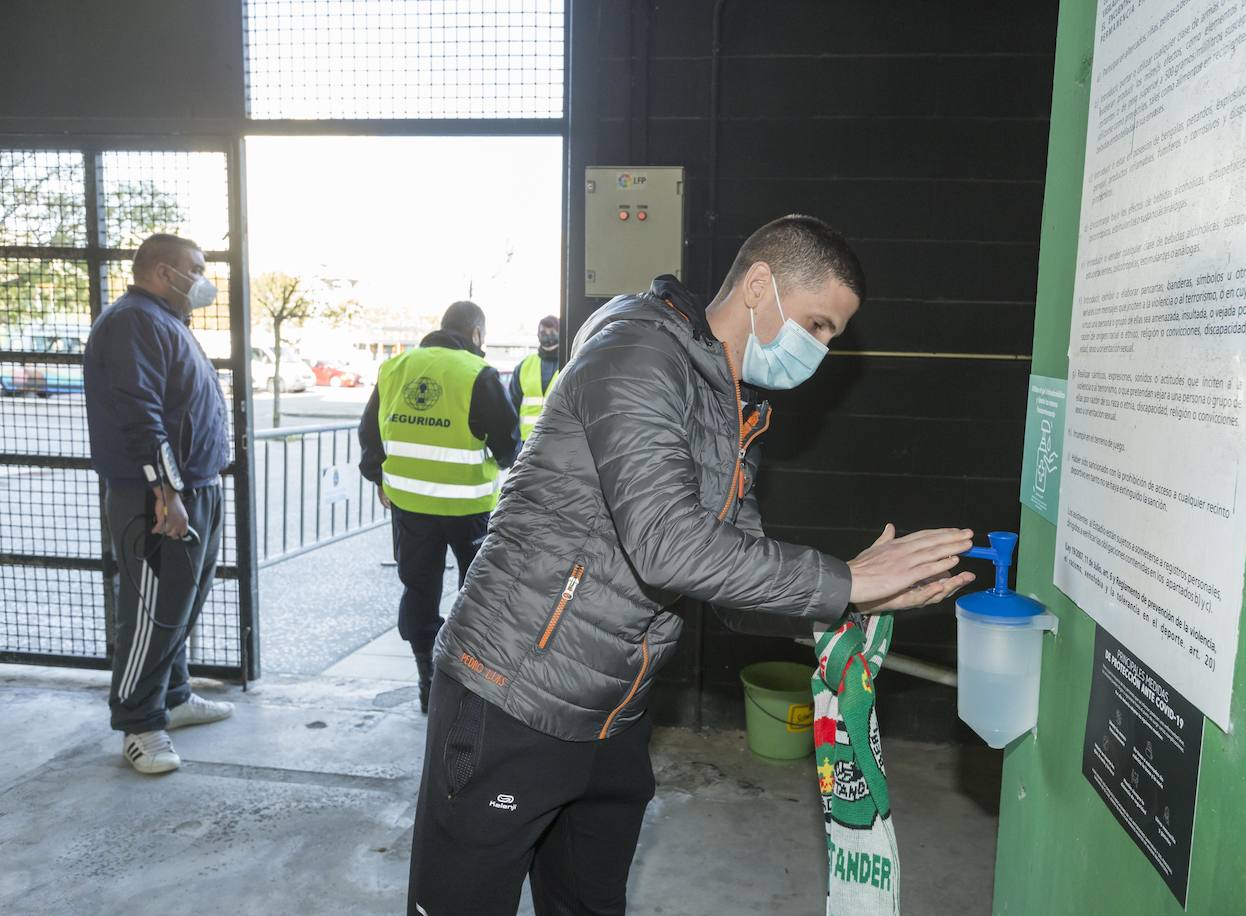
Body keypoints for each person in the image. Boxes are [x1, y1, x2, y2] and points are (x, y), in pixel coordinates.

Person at [406, 215, 977, 915]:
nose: (822, 351)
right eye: (819, 326)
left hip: (612, 713)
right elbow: (667, 545)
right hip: (512, 694)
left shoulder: (733, 408)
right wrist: (847, 579)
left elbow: (733, 589)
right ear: (760, 285)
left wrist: (853, 600)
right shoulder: (637, 354)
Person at [83, 233, 234, 776]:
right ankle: (139, 724)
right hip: (158, 496)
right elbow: (138, 414)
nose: (203, 277)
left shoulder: (163, 319)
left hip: (197, 485)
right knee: (151, 614)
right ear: (164, 271)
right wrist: (165, 492)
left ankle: (172, 697)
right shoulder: (132, 322)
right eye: (196, 267)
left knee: (179, 606)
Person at [358, 301, 520, 713]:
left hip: (410, 506)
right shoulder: (476, 373)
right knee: (478, 591)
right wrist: (503, 462)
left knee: (419, 587)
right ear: (477, 334)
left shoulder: (395, 368)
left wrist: (378, 476)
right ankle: (468, 679)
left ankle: (426, 675)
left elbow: (369, 430)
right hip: (470, 508)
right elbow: (507, 440)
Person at [508, 314, 562, 442]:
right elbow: (511, 407)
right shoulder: (524, 366)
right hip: (526, 441)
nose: (547, 335)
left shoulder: (568, 363)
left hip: (558, 441)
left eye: (552, 331)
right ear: (537, 334)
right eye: (543, 331)